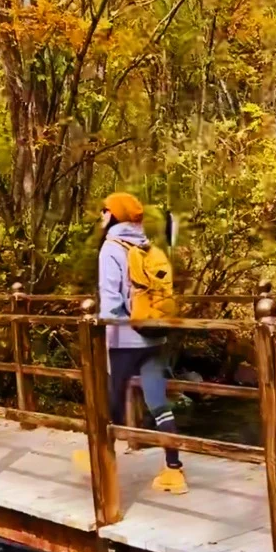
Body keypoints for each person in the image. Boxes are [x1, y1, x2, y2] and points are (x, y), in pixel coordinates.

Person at [89, 191, 187, 494]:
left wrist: (101, 326)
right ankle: (174, 471)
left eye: (105, 210)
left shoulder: (111, 248)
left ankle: (101, 466)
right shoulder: (147, 245)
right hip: (154, 334)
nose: (101, 216)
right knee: (158, 402)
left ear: (115, 215)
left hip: (124, 339)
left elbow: (111, 301)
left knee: (111, 403)